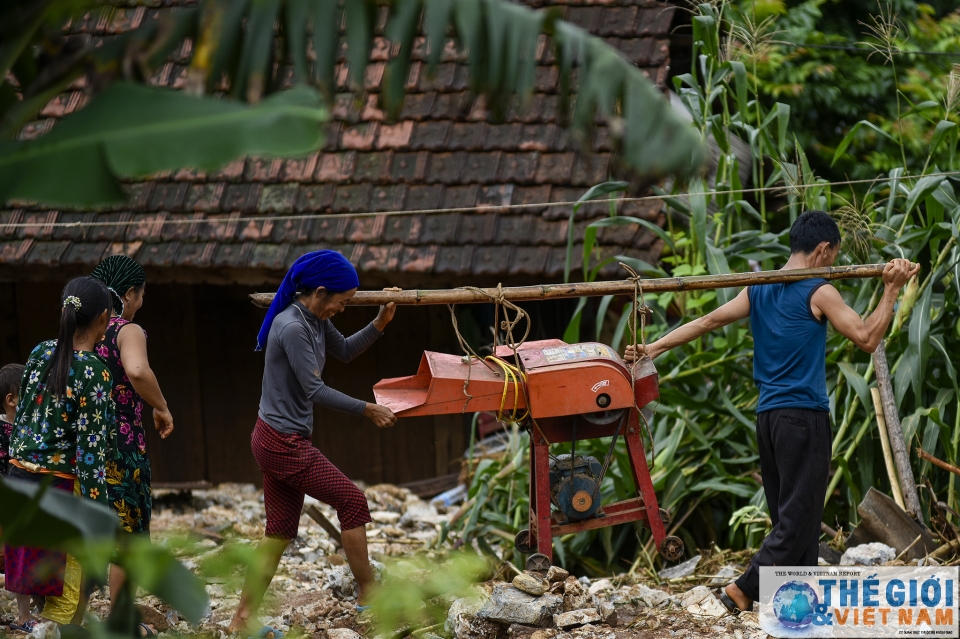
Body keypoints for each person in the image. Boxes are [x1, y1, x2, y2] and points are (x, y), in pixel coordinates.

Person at [624, 210, 918, 614]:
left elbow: (708, 320)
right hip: (803, 416)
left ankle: (796, 599)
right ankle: (741, 590)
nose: (832, 263)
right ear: (821, 250)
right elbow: (867, 338)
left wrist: (653, 348)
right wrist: (891, 290)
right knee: (797, 518)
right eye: (833, 255)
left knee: (798, 516)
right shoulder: (819, 291)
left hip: (770, 419)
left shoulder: (758, 288)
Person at [227, 250, 399, 635]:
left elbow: (347, 351)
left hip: (273, 437)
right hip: (281, 442)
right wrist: (367, 409)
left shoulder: (314, 319)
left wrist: (380, 322)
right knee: (352, 501)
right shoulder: (292, 326)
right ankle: (369, 592)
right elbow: (314, 388)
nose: (343, 308)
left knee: (279, 534)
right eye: (342, 301)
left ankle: (241, 619)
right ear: (320, 292)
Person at [4, 277, 117, 630]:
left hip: (20, 480)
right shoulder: (94, 371)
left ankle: (38, 627)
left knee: (41, 580)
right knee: (69, 593)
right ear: (103, 318)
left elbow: (23, 418)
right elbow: (92, 451)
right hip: (58, 491)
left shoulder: (39, 352)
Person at [90, 255, 174, 624]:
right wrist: (161, 406)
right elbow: (138, 371)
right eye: (141, 296)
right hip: (121, 449)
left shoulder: (81, 332)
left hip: (84, 446)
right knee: (130, 532)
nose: (141, 303)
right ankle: (120, 617)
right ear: (129, 293)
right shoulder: (125, 330)